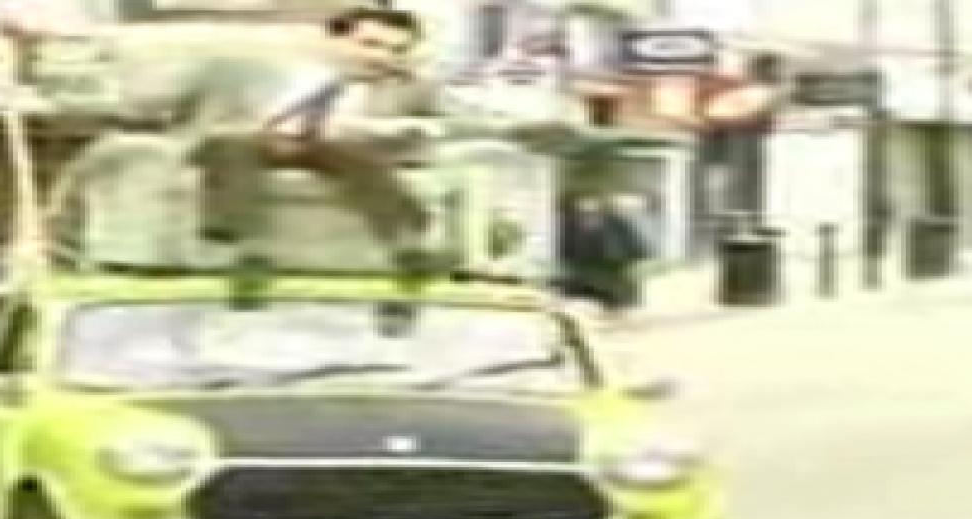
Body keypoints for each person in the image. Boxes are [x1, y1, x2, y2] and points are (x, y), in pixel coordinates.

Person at [116, 6, 573, 272]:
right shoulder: (240, 67)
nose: (381, 57)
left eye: (396, 51)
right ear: (331, 40)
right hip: (246, 142)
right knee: (234, 142)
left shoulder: (410, 88)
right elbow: (146, 105)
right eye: (369, 45)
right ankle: (236, 247)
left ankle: (407, 244)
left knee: (347, 146)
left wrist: (523, 129)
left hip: (334, 149)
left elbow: (470, 118)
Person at [558, 192, 653, 329]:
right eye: (585, 210)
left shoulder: (616, 223)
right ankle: (607, 318)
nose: (589, 213)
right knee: (595, 296)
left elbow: (633, 244)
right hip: (592, 269)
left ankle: (615, 319)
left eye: (592, 209)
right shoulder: (571, 225)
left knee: (614, 297)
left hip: (612, 268)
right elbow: (568, 248)